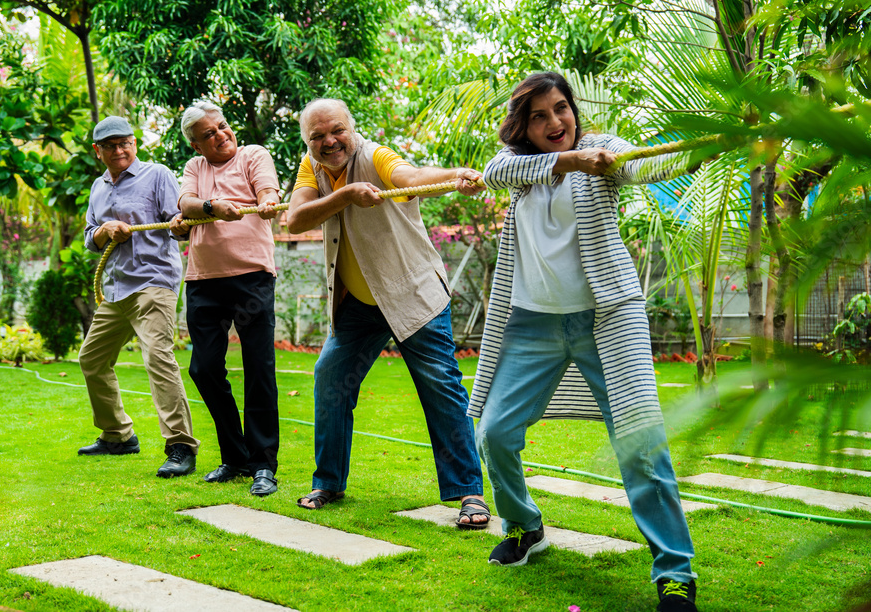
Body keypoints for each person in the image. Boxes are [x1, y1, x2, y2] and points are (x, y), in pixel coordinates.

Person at [469, 72, 699, 611]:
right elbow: (494, 169)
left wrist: (697, 147)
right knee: (495, 433)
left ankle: (674, 572)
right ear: (524, 126)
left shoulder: (602, 152)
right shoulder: (522, 171)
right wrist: (566, 163)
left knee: (641, 442)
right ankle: (526, 527)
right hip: (530, 326)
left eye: (561, 109)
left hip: (607, 321)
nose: (555, 122)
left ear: (574, 110)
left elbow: (648, 162)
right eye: (540, 116)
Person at [286, 98, 491, 528]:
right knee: (330, 377)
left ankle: (470, 493)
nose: (328, 141)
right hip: (359, 305)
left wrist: (456, 177)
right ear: (308, 142)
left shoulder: (375, 155)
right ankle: (329, 482)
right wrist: (345, 196)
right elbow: (296, 219)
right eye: (317, 136)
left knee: (441, 387)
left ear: (352, 128)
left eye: (336, 130)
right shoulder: (312, 167)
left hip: (413, 296)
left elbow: (411, 177)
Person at [78, 115, 199, 479]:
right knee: (92, 360)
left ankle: (180, 446)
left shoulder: (157, 174)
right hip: (116, 288)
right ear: (97, 152)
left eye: (125, 143)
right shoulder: (98, 188)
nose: (120, 150)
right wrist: (104, 230)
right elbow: (89, 236)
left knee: (158, 359)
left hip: (153, 282)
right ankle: (117, 435)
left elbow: (177, 221)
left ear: (135, 142)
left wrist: (182, 223)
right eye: (111, 146)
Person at [175, 101, 282, 497]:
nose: (221, 135)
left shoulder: (253, 154)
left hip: (252, 277)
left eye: (222, 127)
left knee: (258, 368)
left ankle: (263, 466)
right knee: (203, 369)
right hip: (204, 280)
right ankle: (234, 457)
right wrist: (210, 207)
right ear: (196, 145)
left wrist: (268, 200)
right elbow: (186, 204)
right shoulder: (195, 169)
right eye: (209, 134)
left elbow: (267, 188)